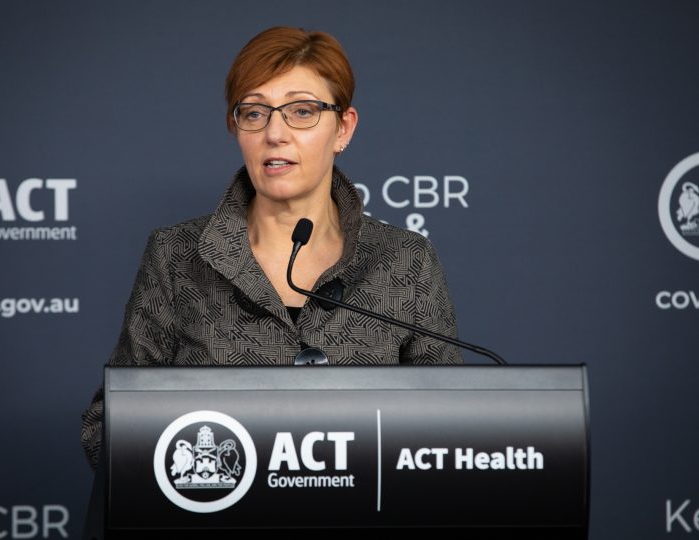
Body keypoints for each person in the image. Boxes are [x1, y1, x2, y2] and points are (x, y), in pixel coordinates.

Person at [81, 26, 463, 469]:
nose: (275, 133)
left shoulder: (406, 261)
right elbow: (105, 429)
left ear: (343, 128)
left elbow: (449, 434)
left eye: (302, 111)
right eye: (255, 113)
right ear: (236, 127)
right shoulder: (176, 256)